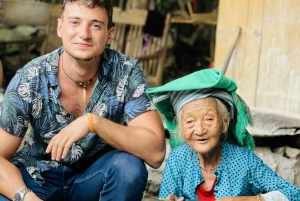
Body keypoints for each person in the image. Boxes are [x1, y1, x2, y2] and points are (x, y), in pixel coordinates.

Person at [0, 0, 166, 201]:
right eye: (75, 22)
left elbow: (156, 153)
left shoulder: (126, 72)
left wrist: (93, 123)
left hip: (94, 177)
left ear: (110, 34)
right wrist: (25, 197)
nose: (84, 34)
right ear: (60, 27)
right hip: (38, 178)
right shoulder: (31, 77)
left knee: (129, 168)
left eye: (95, 25)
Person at [146, 68, 300, 201]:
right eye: (190, 122)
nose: (199, 130)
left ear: (225, 122)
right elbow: (166, 197)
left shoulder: (244, 161)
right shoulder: (178, 159)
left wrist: (250, 199)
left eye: (209, 119)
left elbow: (294, 195)